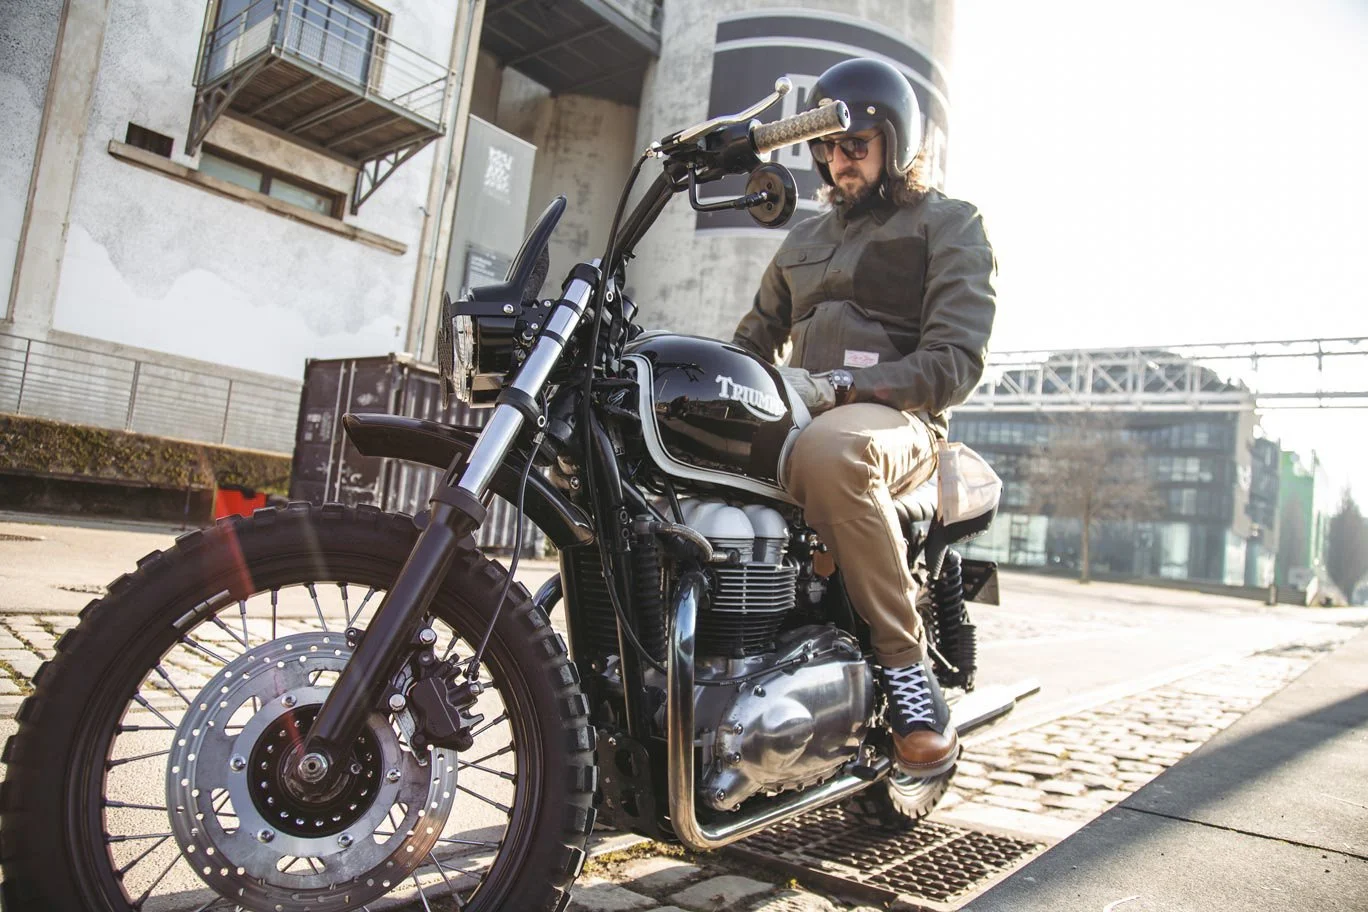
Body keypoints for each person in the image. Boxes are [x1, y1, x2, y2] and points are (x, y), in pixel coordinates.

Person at [732, 58, 997, 778]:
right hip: (797, 413)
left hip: (892, 424)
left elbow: (954, 362)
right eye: (825, 147)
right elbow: (752, 339)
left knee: (829, 452)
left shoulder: (948, 224)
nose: (836, 159)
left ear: (894, 141)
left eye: (853, 144)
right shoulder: (800, 240)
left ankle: (908, 671)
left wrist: (851, 386)